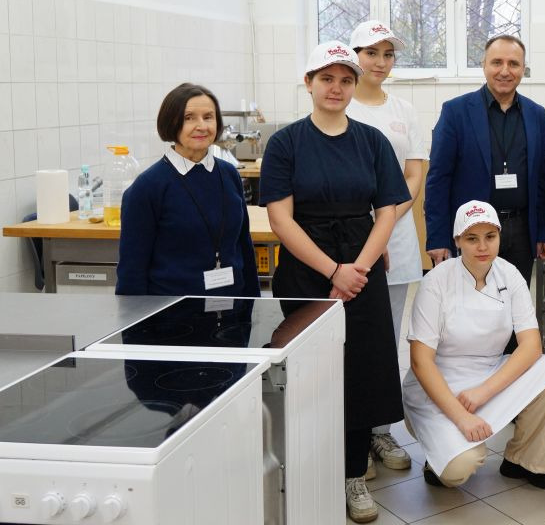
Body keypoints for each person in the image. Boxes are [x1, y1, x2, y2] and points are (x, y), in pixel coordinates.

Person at [259, 41, 411, 524]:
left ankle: (352, 475)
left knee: (362, 372)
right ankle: (307, 468)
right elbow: (281, 219)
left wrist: (357, 270)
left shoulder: (371, 141)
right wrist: (332, 271)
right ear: (308, 83)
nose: (336, 88)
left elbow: (387, 211)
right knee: (310, 374)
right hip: (307, 269)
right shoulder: (286, 143)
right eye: (326, 78)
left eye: (345, 80)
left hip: (361, 267)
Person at [403, 200, 545, 489]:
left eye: (490, 237)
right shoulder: (437, 281)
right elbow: (420, 361)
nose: (482, 247)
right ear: (457, 241)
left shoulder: (509, 274)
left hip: (487, 376)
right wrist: (461, 417)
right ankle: (438, 455)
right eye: (472, 239)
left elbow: (531, 346)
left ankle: (525, 460)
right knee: (457, 469)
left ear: (500, 237)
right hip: (439, 386)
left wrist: (483, 392)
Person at [347, 19, 427, 476]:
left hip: (395, 232)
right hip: (347, 238)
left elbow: (414, 175)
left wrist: (386, 222)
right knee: (350, 338)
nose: (380, 62)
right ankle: (350, 434)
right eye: (371, 52)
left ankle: (380, 429)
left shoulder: (405, 110)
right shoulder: (341, 104)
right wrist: (367, 229)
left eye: (388, 53)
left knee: (386, 338)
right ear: (354, 55)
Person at [425, 34, 545, 285]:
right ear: (484, 65)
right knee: (471, 301)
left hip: (521, 230)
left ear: (523, 69)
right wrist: (438, 237)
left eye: (513, 64)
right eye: (497, 62)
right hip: (473, 232)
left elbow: (541, 179)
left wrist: (543, 231)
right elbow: (438, 179)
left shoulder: (536, 114)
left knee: (514, 301)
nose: (505, 71)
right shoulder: (456, 112)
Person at [117, 83, 259, 298]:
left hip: (232, 308)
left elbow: (244, 248)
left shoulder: (229, 174)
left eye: (208, 117)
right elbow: (131, 273)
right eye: (189, 118)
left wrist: (252, 306)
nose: (201, 126)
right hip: (173, 312)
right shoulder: (147, 187)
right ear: (171, 122)